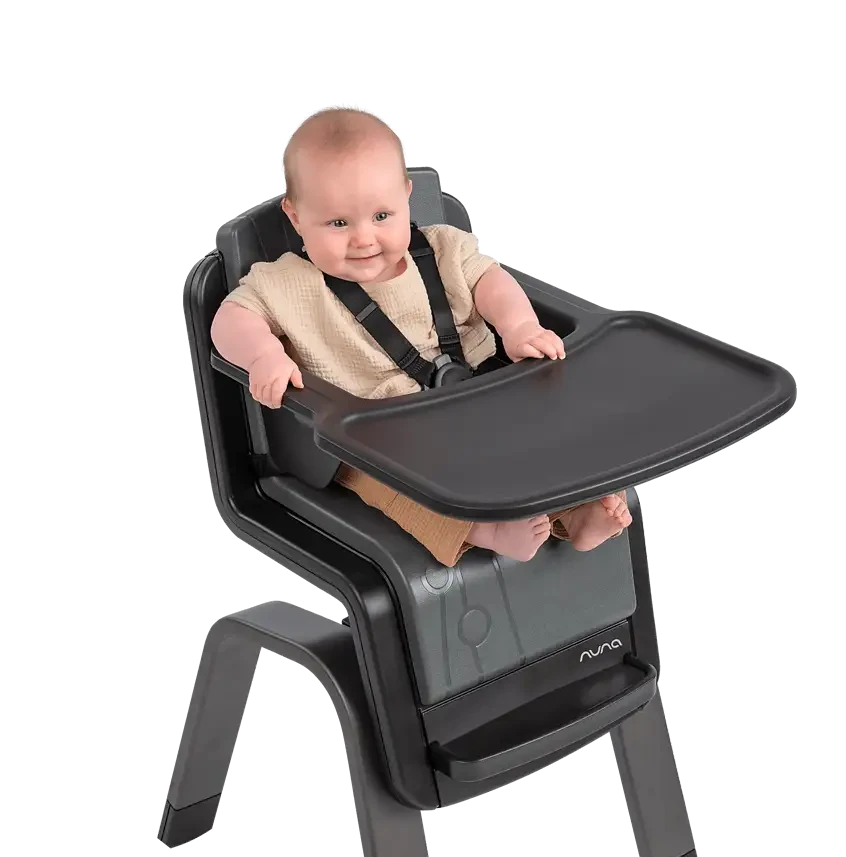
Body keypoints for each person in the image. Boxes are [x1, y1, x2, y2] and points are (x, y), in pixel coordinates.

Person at [210, 107, 632, 567]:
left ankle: (577, 513)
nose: (363, 238)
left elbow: (490, 281)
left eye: (381, 215)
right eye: (338, 224)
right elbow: (230, 318)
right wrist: (262, 355)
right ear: (295, 217)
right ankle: (483, 530)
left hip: (474, 396)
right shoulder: (286, 283)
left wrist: (519, 327)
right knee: (392, 488)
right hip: (373, 435)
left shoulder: (443, 247)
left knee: (542, 437)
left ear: (406, 197)